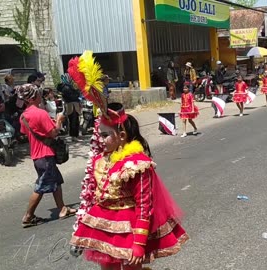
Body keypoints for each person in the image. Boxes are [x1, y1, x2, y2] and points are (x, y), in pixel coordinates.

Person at [70, 103, 189, 269]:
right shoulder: (100, 161)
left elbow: (144, 205)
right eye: (99, 135)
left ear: (122, 135)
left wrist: (139, 244)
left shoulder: (136, 165)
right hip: (103, 225)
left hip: (129, 229)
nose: (100, 140)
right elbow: (91, 197)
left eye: (105, 135)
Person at [16, 84, 76, 228]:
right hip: (45, 154)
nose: (40, 97)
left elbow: (26, 133)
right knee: (41, 186)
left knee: (56, 181)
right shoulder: (40, 113)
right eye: (38, 94)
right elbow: (53, 133)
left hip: (37, 156)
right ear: (33, 97)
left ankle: (62, 209)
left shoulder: (23, 116)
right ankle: (28, 216)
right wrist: (59, 121)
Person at [58, 77, 82, 142]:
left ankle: (75, 135)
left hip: (74, 105)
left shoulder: (70, 87)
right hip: (71, 105)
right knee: (73, 121)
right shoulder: (67, 88)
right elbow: (73, 96)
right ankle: (73, 136)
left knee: (75, 120)